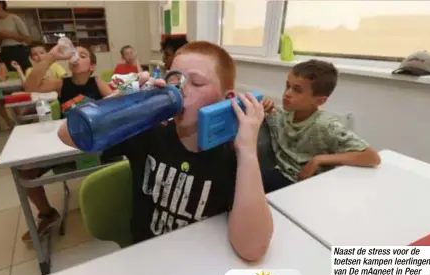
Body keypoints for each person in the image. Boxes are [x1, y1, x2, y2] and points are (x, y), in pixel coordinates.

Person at [58, 41, 274, 262]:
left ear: (227, 99)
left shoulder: (234, 154)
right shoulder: (148, 131)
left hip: (199, 262)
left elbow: (252, 249)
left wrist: (247, 150)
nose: (181, 89)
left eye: (196, 82)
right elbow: (67, 133)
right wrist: (127, 102)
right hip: (147, 259)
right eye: (175, 80)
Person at [19, 44, 114, 243]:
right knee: (25, 173)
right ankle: (47, 214)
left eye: (83, 54)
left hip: (94, 146)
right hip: (65, 145)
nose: (76, 58)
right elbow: (30, 86)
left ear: (92, 66)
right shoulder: (62, 84)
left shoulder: (97, 82)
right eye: (74, 54)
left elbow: (115, 103)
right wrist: (50, 57)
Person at [260, 59, 381, 193]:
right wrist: (262, 107)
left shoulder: (326, 125)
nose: (287, 93)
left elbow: (372, 157)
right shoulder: (284, 114)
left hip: (306, 185)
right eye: (287, 86)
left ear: (319, 101)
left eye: (297, 90)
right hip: (281, 174)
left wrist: (319, 159)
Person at [0, 0, 32, 71]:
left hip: (18, 51)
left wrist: (10, 34)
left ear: (1, 4)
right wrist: (0, 37)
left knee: (25, 73)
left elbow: (28, 39)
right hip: (4, 51)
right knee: (10, 75)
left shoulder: (14, 18)